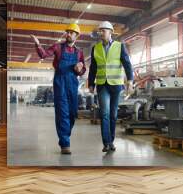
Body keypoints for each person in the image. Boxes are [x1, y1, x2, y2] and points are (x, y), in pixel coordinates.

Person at [31, 23, 86, 155]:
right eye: (67, 32)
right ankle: (65, 143)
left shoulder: (79, 52)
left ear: (76, 36)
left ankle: (65, 135)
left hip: (73, 84)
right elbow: (44, 55)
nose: (68, 34)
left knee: (72, 113)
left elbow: (83, 69)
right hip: (60, 82)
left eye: (72, 32)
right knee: (62, 114)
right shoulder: (58, 47)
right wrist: (38, 45)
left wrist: (79, 69)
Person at [88, 21, 134, 152]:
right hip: (102, 85)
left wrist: (130, 81)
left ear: (110, 32)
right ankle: (106, 143)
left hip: (116, 85)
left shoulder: (120, 46)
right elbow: (93, 68)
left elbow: (127, 64)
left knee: (113, 115)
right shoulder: (95, 48)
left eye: (103, 30)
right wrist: (91, 83)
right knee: (105, 113)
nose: (101, 33)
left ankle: (111, 141)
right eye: (100, 31)